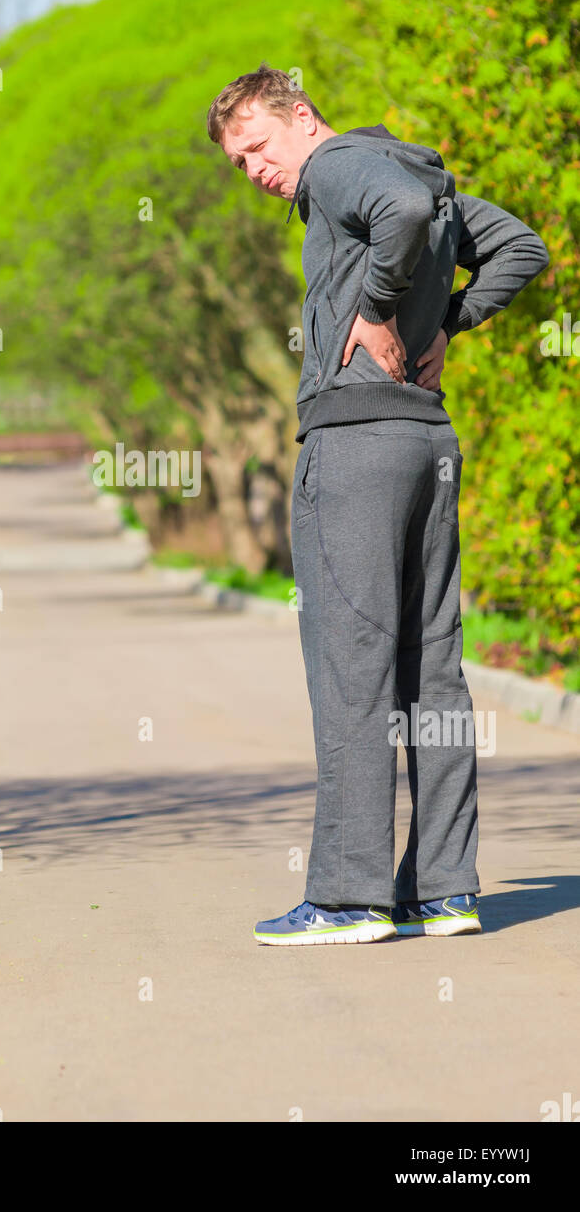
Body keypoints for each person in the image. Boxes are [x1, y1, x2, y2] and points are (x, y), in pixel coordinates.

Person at [207, 63, 549, 945]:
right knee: (430, 669)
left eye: (257, 148)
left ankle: (349, 898)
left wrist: (374, 310)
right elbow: (520, 246)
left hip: (356, 447)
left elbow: (393, 218)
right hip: (426, 445)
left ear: (301, 118)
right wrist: (449, 324)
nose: (255, 171)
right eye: (238, 163)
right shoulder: (422, 179)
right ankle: (442, 890)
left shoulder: (339, 170)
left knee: (351, 667)